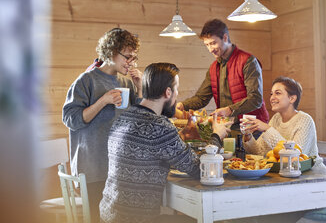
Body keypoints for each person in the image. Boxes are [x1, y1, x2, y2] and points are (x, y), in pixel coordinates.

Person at [99, 63, 231, 223]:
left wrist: (181, 135)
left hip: (109, 215)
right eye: (176, 90)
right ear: (167, 92)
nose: (177, 95)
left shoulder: (124, 117)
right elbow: (200, 170)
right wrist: (217, 135)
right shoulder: (160, 126)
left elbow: (152, 148)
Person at [62, 28, 142, 223]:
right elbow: (70, 119)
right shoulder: (86, 80)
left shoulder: (126, 82)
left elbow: (138, 118)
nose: (131, 62)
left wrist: (139, 87)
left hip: (119, 168)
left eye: (134, 58)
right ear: (112, 52)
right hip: (93, 168)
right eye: (128, 57)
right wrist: (102, 101)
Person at [176, 19, 269, 135]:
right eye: (207, 45)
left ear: (225, 38)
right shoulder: (213, 68)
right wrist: (182, 105)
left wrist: (229, 110)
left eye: (213, 43)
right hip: (228, 128)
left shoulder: (248, 61)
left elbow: (256, 99)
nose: (210, 49)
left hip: (253, 128)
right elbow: (201, 98)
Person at [240, 76, 325, 168]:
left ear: (292, 99)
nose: (272, 98)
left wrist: (267, 129)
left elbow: (295, 157)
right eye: (271, 94)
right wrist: (248, 135)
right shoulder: (276, 118)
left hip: (312, 176)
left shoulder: (305, 120)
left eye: (278, 93)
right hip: (285, 175)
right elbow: (259, 153)